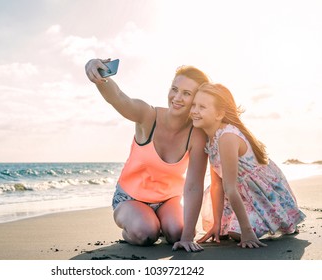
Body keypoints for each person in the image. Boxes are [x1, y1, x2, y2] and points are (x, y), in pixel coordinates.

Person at [85, 58, 209, 247]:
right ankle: (139, 228)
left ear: (196, 99)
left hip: (169, 199)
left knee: (177, 233)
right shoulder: (147, 116)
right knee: (145, 233)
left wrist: (187, 237)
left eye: (186, 93)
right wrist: (100, 75)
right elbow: (118, 97)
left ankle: (162, 223)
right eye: (174, 89)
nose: (177, 98)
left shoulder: (197, 134)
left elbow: (193, 186)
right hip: (131, 198)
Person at [173, 82, 306, 251]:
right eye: (194, 105)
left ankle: (265, 223)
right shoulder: (209, 138)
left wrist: (247, 232)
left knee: (237, 234)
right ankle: (235, 224)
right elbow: (216, 185)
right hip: (238, 193)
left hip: (260, 192)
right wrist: (217, 222)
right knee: (223, 231)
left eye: (202, 107)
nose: (194, 111)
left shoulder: (227, 137)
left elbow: (230, 187)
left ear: (219, 114)